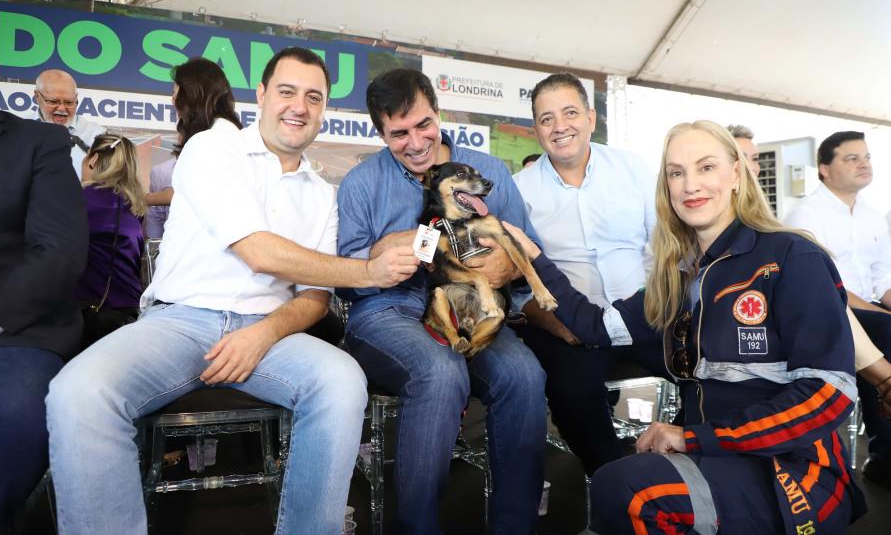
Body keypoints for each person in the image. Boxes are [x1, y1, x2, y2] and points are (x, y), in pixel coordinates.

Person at [46, 47, 419, 535]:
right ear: (261, 95)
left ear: (324, 108)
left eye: (313, 97)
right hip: (178, 321)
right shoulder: (212, 148)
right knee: (78, 393)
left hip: (268, 335)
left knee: (341, 380)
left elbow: (314, 297)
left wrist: (263, 334)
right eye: (286, 91)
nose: (299, 107)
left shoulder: (322, 195)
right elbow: (258, 251)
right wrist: (369, 271)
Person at [504, 120, 866, 534]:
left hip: (792, 472)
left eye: (706, 167)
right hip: (718, 458)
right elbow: (594, 328)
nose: (690, 184)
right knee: (611, 492)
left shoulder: (791, 255)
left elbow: (827, 396)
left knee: (627, 489)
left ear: (736, 174)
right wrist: (533, 259)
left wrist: (694, 438)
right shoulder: (680, 276)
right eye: (677, 173)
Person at [337, 68, 546, 533]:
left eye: (424, 125)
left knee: (524, 375)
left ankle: (516, 526)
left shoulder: (488, 172)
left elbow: (527, 252)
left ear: (439, 112)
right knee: (439, 370)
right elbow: (346, 281)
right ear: (380, 132)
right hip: (388, 309)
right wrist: (381, 257)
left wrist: (502, 269)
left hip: (472, 306)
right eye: (399, 133)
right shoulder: (361, 183)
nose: (415, 142)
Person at [513, 72, 659, 474]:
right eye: (546, 119)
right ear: (535, 130)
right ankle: (616, 482)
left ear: (592, 118)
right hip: (570, 326)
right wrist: (556, 325)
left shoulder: (633, 170)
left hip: (643, 314)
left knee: (707, 364)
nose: (560, 127)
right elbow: (513, 286)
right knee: (572, 390)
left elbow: (667, 247)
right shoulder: (519, 191)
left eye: (570, 113)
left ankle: (686, 469)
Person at [0, 24, 88, 534]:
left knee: (14, 419)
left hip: (7, 332)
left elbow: (60, 253)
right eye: (55, 100)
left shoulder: (36, 141)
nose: (62, 107)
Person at [784, 130, 891, 488]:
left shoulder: (874, 216)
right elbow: (831, 290)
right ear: (824, 169)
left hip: (869, 308)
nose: (864, 164)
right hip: (828, 313)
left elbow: (883, 281)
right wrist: (883, 315)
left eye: (867, 157)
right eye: (852, 158)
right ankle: (885, 456)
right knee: (886, 333)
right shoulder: (806, 214)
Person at [144, 57, 244, 238]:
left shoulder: (208, 141)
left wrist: (143, 198)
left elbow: (183, 195)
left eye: (176, 93)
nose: (173, 100)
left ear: (191, 94)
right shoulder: (222, 135)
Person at [77, 133, 146, 347]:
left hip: (90, 311)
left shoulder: (81, 198)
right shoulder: (134, 206)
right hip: (130, 310)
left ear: (94, 159)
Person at [34, 69, 106, 179]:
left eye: (69, 102)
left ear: (76, 98)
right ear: (37, 97)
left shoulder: (97, 135)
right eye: (54, 101)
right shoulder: (17, 128)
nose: (62, 108)